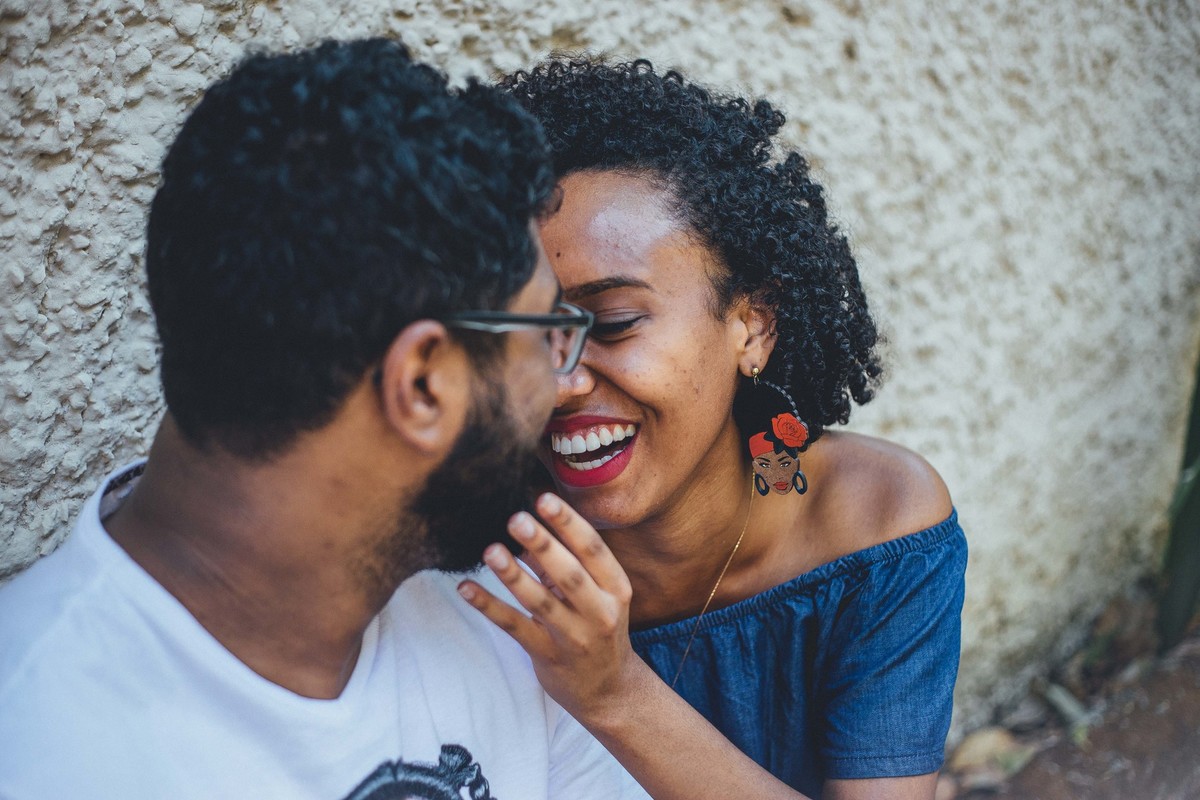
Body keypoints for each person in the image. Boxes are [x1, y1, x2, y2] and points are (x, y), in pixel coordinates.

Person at [0, 40, 648, 800]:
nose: (568, 382)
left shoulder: (511, 627)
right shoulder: (37, 740)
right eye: (547, 334)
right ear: (423, 384)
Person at [460, 57, 968, 800]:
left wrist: (615, 696)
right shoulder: (484, 545)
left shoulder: (874, 528)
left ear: (751, 327)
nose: (560, 382)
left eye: (612, 323)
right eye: (523, 336)